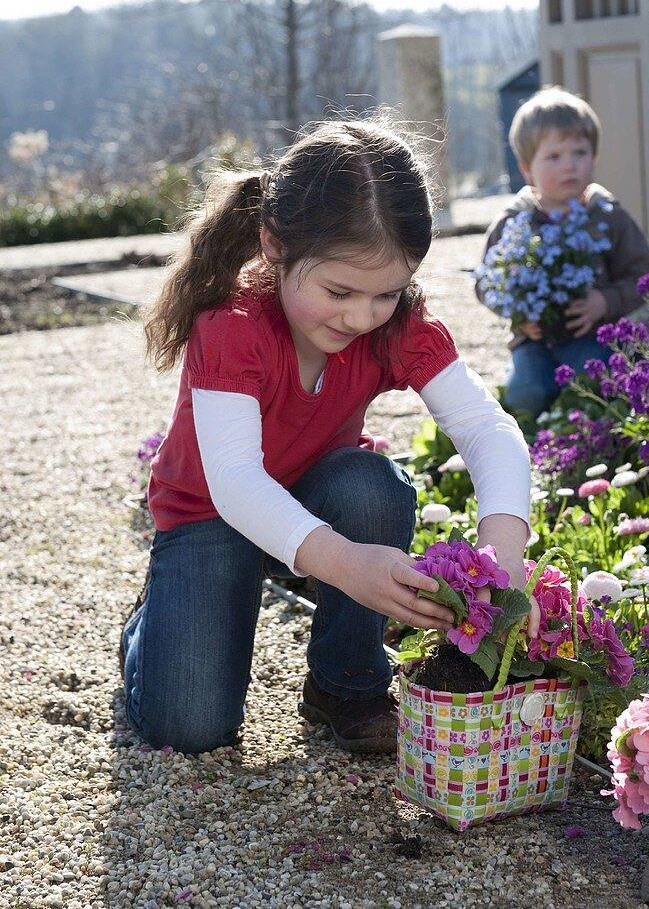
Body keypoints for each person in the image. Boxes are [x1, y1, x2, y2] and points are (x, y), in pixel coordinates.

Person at [121, 117, 536, 757]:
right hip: (212, 511)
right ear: (275, 246)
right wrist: (347, 565)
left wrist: (504, 556)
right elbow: (234, 483)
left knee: (372, 488)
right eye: (339, 291)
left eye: (386, 295)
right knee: (190, 729)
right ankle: (151, 622)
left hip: (318, 497)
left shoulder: (397, 324)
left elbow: (487, 428)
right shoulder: (232, 322)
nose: (360, 316)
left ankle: (346, 685)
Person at [475, 87, 649, 419]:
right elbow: (485, 283)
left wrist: (605, 301)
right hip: (534, 341)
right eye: (554, 157)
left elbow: (643, 276)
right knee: (525, 398)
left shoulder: (607, 215)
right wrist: (520, 316)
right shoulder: (515, 220)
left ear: (595, 157)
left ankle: (591, 443)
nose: (570, 165)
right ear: (527, 168)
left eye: (580, 152)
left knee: (601, 390)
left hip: (593, 335)